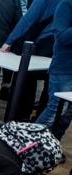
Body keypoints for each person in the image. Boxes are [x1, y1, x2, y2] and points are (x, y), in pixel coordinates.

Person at [34, 0, 72, 133]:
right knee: (55, 112)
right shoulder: (67, 4)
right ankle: (27, 143)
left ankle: (52, 146)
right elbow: (61, 36)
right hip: (64, 69)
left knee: (66, 116)